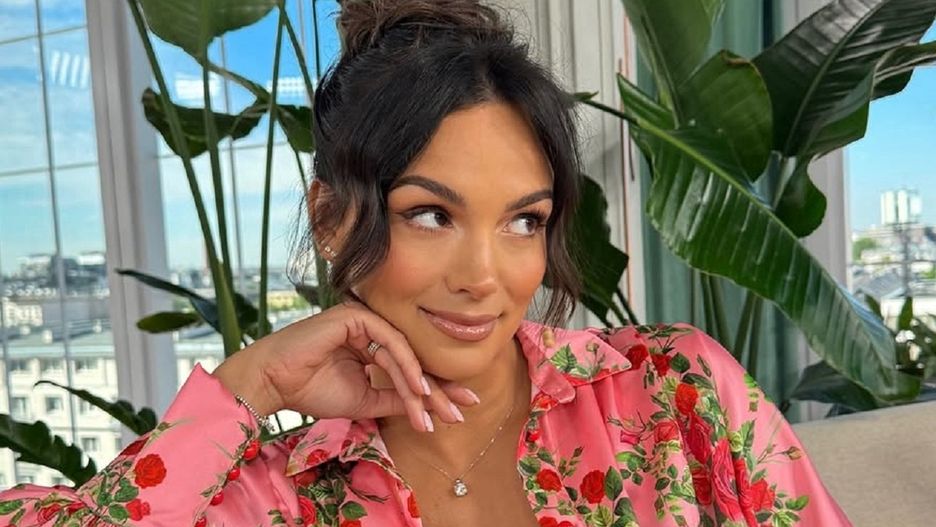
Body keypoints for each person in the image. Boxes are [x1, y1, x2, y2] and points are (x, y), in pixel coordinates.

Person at [0, 0, 852, 525]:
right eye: (432, 214)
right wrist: (248, 387)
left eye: (523, 220)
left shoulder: (672, 393)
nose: (484, 275)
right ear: (330, 219)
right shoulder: (270, 494)